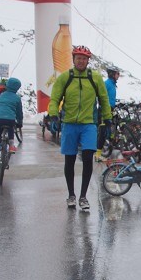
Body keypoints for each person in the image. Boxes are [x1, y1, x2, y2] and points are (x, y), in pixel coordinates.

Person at [47, 45, 111, 211]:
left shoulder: (95, 78)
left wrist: (108, 119)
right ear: (73, 59)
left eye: (84, 58)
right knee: (70, 160)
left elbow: (104, 99)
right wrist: (53, 114)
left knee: (88, 158)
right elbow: (54, 98)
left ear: (88, 61)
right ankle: (71, 195)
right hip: (69, 124)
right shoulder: (65, 77)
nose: (81, 61)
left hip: (88, 124)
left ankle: (83, 196)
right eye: (78, 58)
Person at [0, 77, 24, 174]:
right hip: (10, 120)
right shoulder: (17, 98)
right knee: (11, 127)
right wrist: (19, 121)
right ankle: (11, 145)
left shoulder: (2, 95)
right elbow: (19, 112)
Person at [98, 65, 120, 157]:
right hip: (104, 110)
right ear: (112, 74)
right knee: (103, 131)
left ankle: (109, 143)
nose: (118, 75)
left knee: (111, 127)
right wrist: (104, 107)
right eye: (117, 74)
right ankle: (98, 153)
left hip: (110, 108)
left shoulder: (112, 84)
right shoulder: (107, 84)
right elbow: (100, 96)